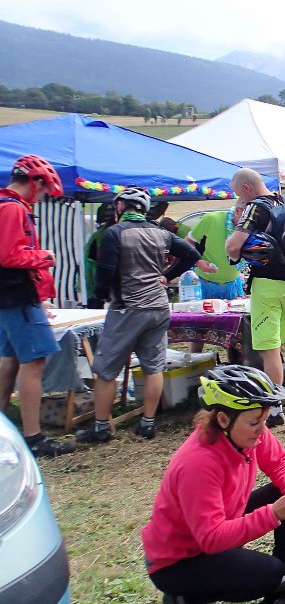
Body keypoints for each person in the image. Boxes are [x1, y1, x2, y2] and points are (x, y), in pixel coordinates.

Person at [141, 365, 285, 604]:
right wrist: (274, 514)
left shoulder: (246, 434)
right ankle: (184, 596)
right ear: (223, 419)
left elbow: (281, 462)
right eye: (255, 422)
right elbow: (211, 538)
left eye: (264, 420)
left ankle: (283, 576)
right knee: (267, 574)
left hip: (218, 529)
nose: (262, 430)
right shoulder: (198, 463)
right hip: (177, 562)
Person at [84, 187, 200, 443]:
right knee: (153, 366)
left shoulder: (115, 233)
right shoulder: (161, 232)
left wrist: (103, 294)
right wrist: (167, 276)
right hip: (158, 307)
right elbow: (192, 253)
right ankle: (148, 422)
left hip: (127, 308)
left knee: (106, 369)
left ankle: (102, 426)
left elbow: (105, 270)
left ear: (121, 207)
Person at [0, 155, 76, 458]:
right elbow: (9, 256)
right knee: (34, 365)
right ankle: (33, 437)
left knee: (9, 362)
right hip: (18, 298)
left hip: (12, 299)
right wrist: (46, 256)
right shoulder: (13, 208)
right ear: (36, 182)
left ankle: (5, 427)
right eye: (44, 191)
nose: (42, 196)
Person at [226, 168, 285, 426]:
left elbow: (232, 246)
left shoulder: (256, 208)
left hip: (267, 283)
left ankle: (275, 408)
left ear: (247, 188)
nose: (239, 199)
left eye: (239, 193)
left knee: (270, 346)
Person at [185, 201, 246, 307]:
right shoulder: (211, 219)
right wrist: (197, 261)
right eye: (248, 215)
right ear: (237, 211)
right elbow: (186, 242)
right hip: (205, 283)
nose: (251, 220)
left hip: (233, 284)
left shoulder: (251, 227)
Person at [84, 202, 117, 309]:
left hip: (94, 273)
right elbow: (102, 256)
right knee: (95, 305)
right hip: (94, 275)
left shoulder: (102, 232)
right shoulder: (104, 234)